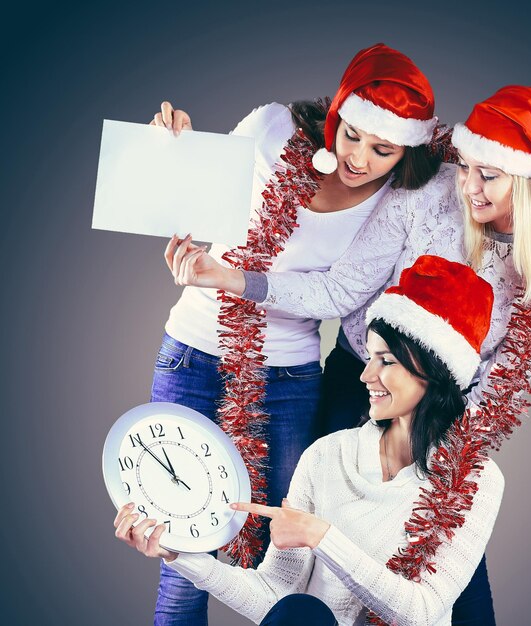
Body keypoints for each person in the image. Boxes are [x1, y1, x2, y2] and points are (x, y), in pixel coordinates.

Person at [172, 85, 531, 624]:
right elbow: (339, 289)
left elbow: (510, 373)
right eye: (466, 166)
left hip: (450, 411)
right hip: (363, 379)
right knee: (316, 555)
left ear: (529, 181)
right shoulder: (430, 194)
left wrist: (450, 452)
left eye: (489, 175)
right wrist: (236, 279)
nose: (469, 186)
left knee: (441, 568)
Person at [148, 43, 443, 625]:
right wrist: (174, 147)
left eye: (383, 149)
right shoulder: (270, 127)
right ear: (337, 112)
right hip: (194, 352)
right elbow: (196, 203)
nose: (359, 158)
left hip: (288, 376)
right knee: (182, 550)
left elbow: (339, 292)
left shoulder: (395, 200)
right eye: (352, 135)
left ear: (405, 150)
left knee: (278, 555)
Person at [115, 255, 505, 626]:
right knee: (302, 612)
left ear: (433, 371)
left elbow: (420, 611)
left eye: (386, 361)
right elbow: (274, 594)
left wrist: (320, 536)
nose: (366, 375)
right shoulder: (327, 456)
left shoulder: (474, 478)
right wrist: (181, 554)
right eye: (369, 357)